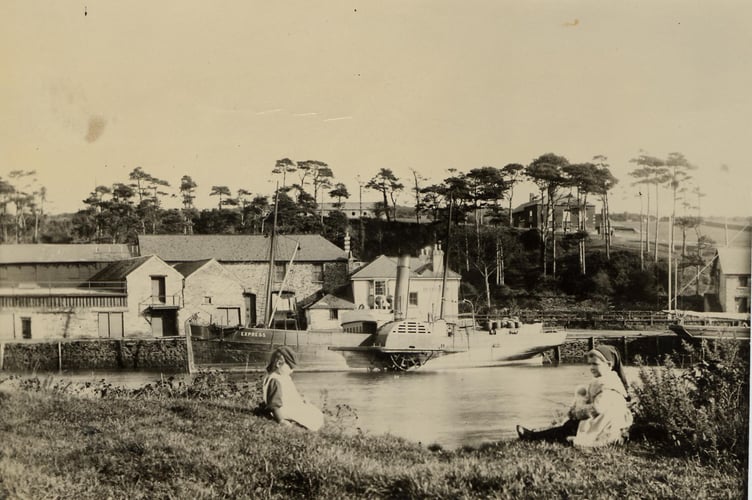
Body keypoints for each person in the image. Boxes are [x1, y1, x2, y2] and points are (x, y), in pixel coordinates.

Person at [516, 344, 632, 447]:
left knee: (571, 427)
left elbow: (597, 408)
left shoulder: (610, 386)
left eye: (595, 364)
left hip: (606, 425)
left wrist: (577, 412)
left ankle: (533, 436)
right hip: (600, 420)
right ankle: (536, 435)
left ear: (609, 365)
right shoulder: (603, 381)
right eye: (590, 364)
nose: (591, 368)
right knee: (569, 426)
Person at [261, 346, 324, 431]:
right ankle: (299, 423)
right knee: (312, 416)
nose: (292, 371)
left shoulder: (281, 377)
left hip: (288, 406)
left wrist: (301, 399)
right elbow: (275, 404)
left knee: (314, 412)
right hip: (283, 411)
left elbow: (289, 394)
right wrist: (281, 420)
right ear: (279, 364)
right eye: (290, 367)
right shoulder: (275, 380)